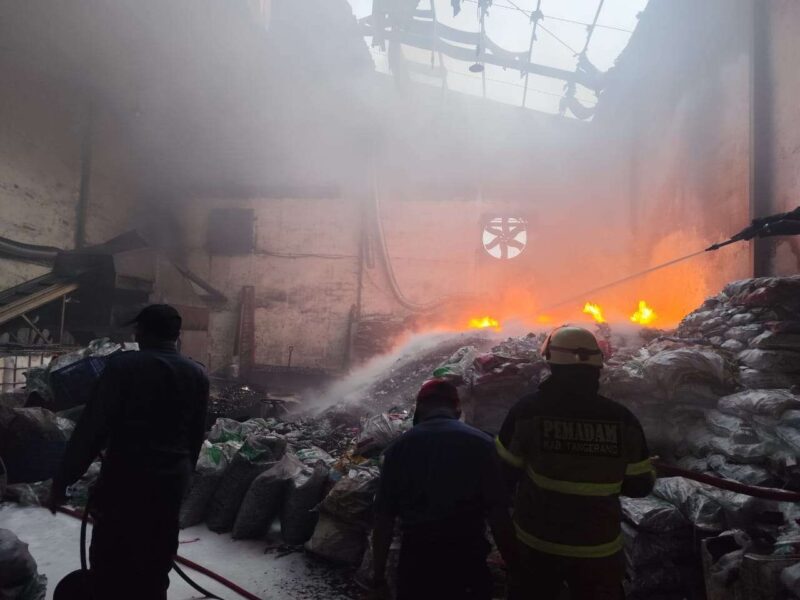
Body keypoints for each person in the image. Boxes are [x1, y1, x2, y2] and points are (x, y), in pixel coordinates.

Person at [49, 304, 209, 600]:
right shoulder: (197, 374)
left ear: (142, 332)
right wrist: (181, 478)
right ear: (176, 336)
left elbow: (91, 430)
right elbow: (195, 438)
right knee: (155, 566)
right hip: (168, 488)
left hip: (125, 484)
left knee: (111, 566)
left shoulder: (123, 367)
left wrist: (62, 481)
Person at [496, 326, 655, 600]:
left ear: (551, 364)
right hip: (598, 548)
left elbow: (503, 475)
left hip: (538, 543)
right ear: (597, 367)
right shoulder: (622, 420)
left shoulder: (527, 412)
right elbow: (639, 486)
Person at [371, 379, 518, 600]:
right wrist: (514, 565)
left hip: (417, 565)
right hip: (467, 561)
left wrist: (378, 575)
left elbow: (383, 519)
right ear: (457, 408)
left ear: (419, 408)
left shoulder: (398, 449)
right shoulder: (483, 444)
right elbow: (499, 515)